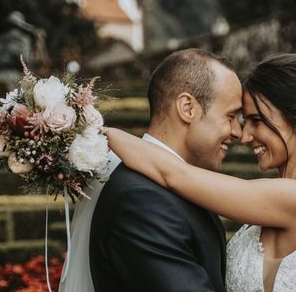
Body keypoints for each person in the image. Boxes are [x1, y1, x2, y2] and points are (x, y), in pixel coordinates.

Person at [106, 53, 296, 292]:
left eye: (256, 121)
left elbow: (175, 175)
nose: (244, 135)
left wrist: (98, 133)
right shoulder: (289, 198)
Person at [85, 48, 243, 291]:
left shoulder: (179, 185)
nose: (238, 132)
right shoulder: (142, 201)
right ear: (188, 108)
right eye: (230, 116)